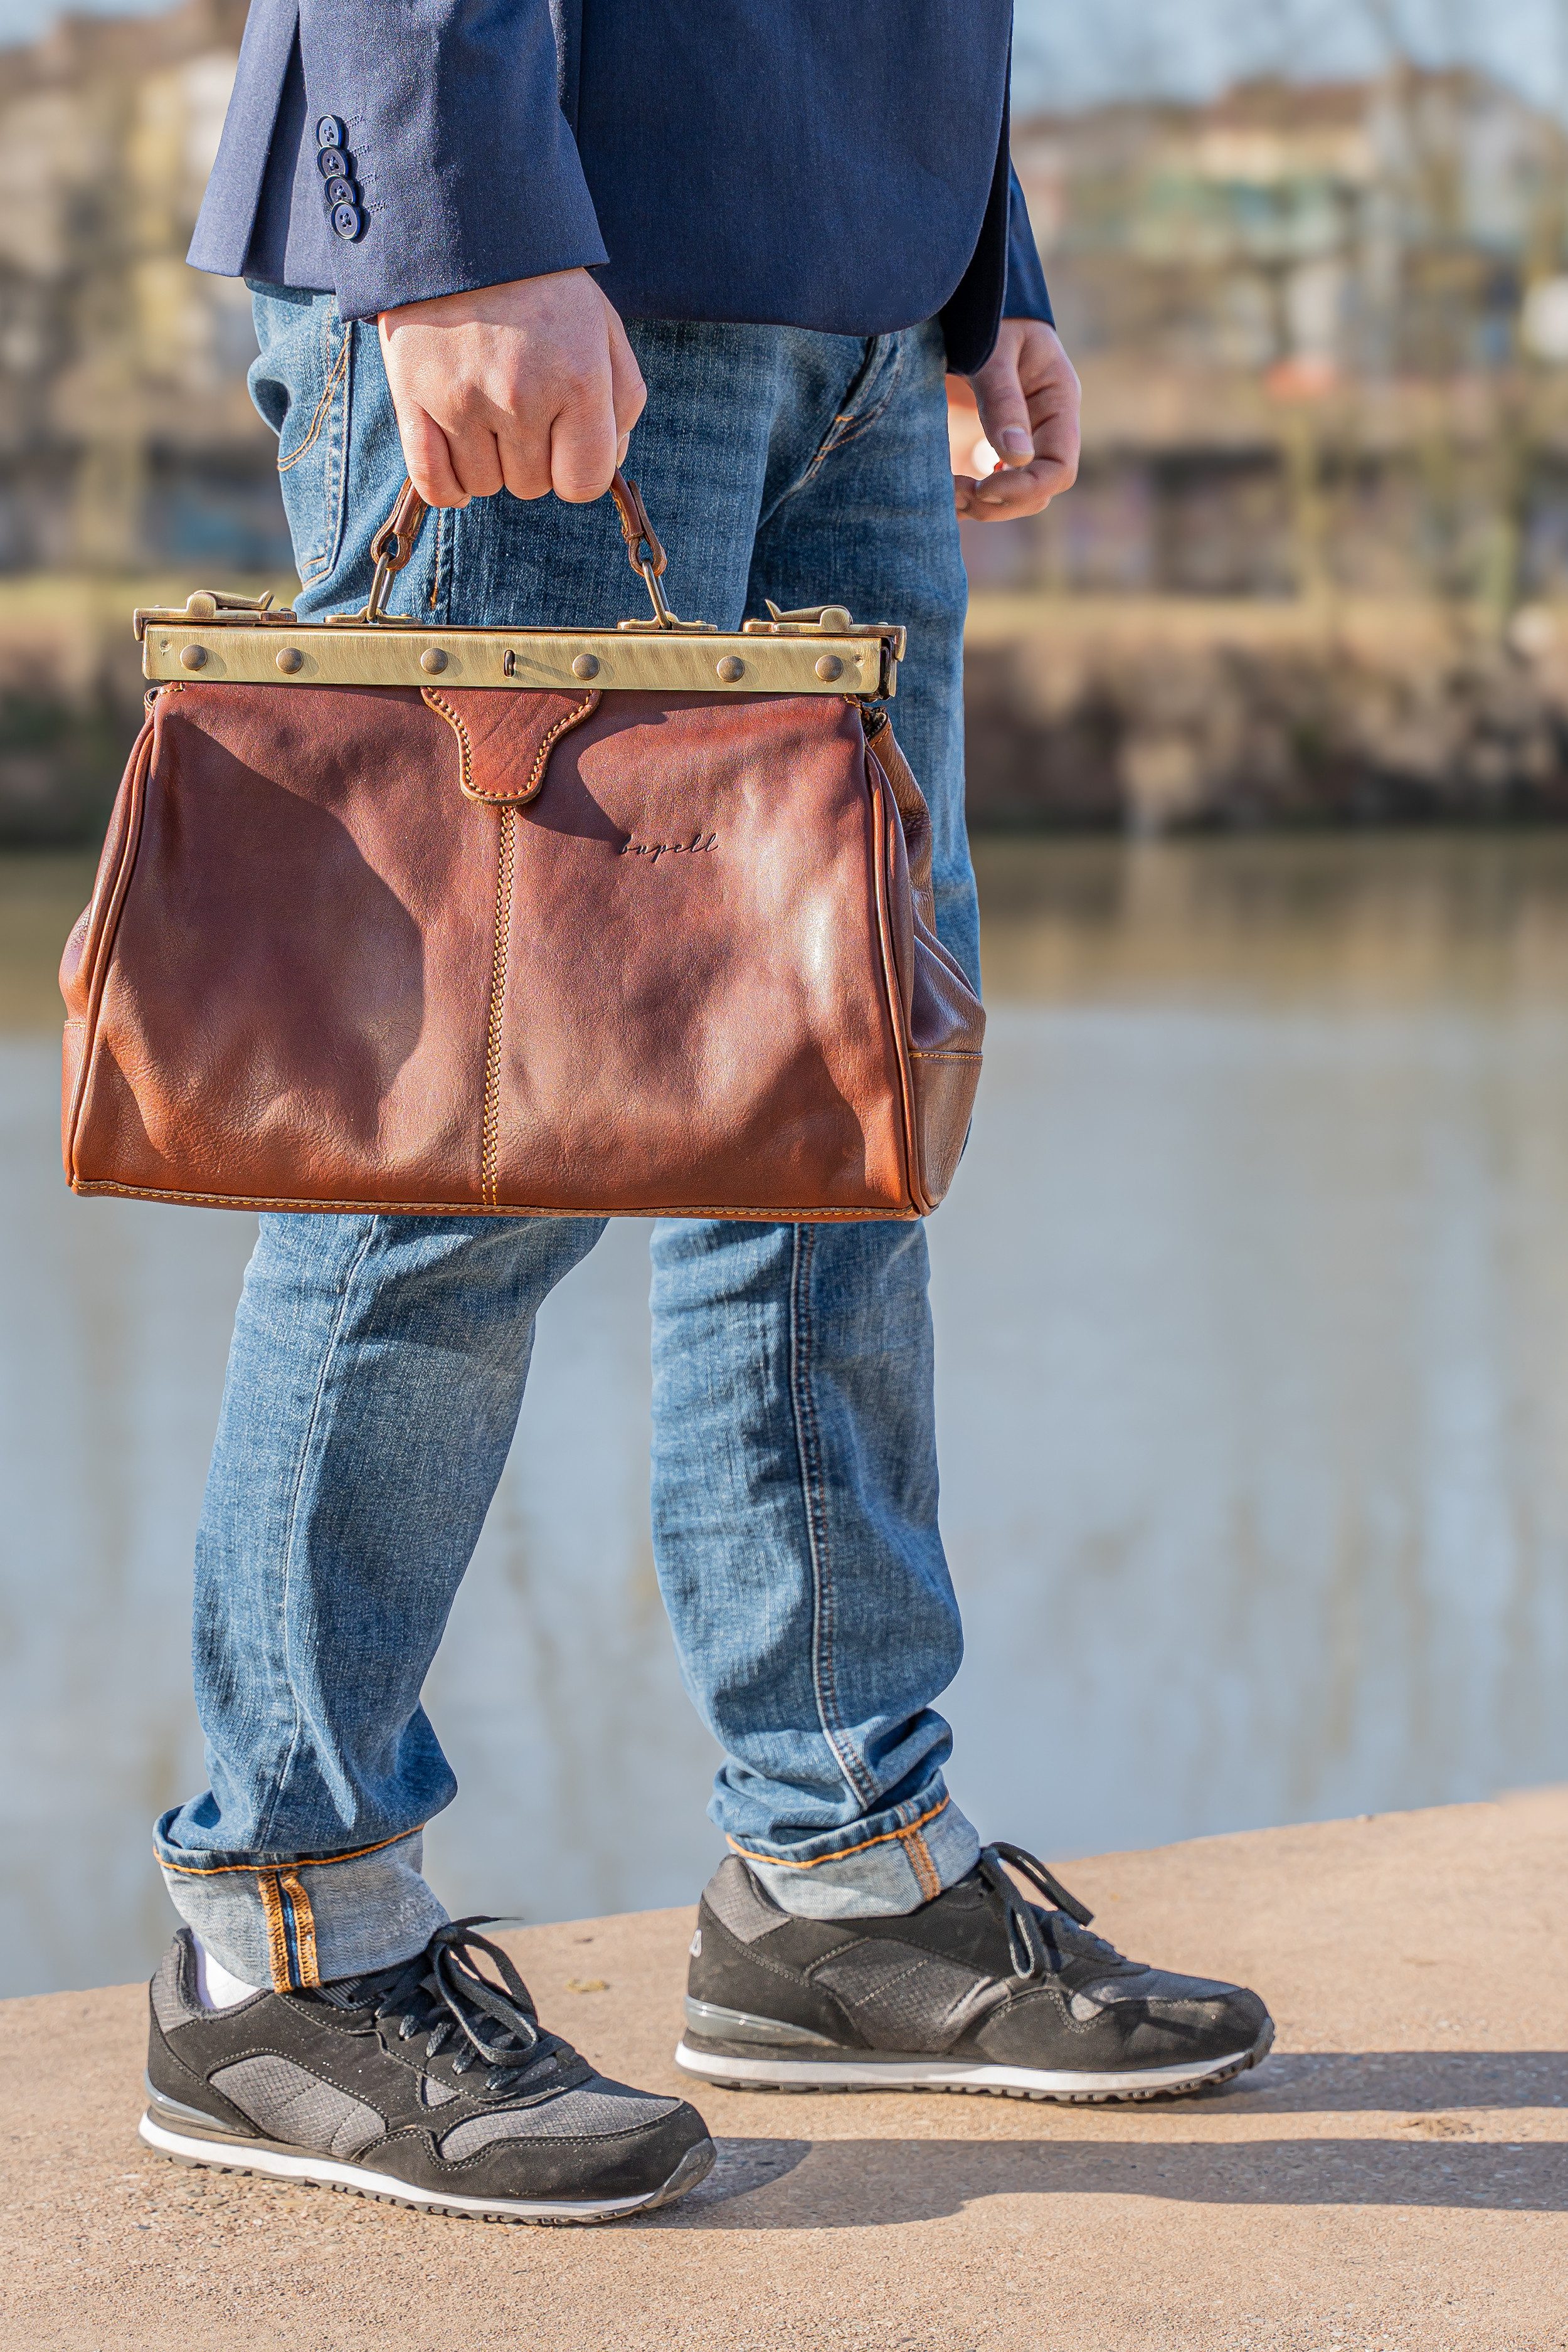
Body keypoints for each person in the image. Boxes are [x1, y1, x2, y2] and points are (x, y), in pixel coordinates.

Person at [138, 0, 1273, 2224]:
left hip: (846, 276)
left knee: (831, 1104)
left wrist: (977, 255)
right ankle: (281, 1929)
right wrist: (453, 220)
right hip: (551, 241)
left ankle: (841, 1877)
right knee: (455, 1131)